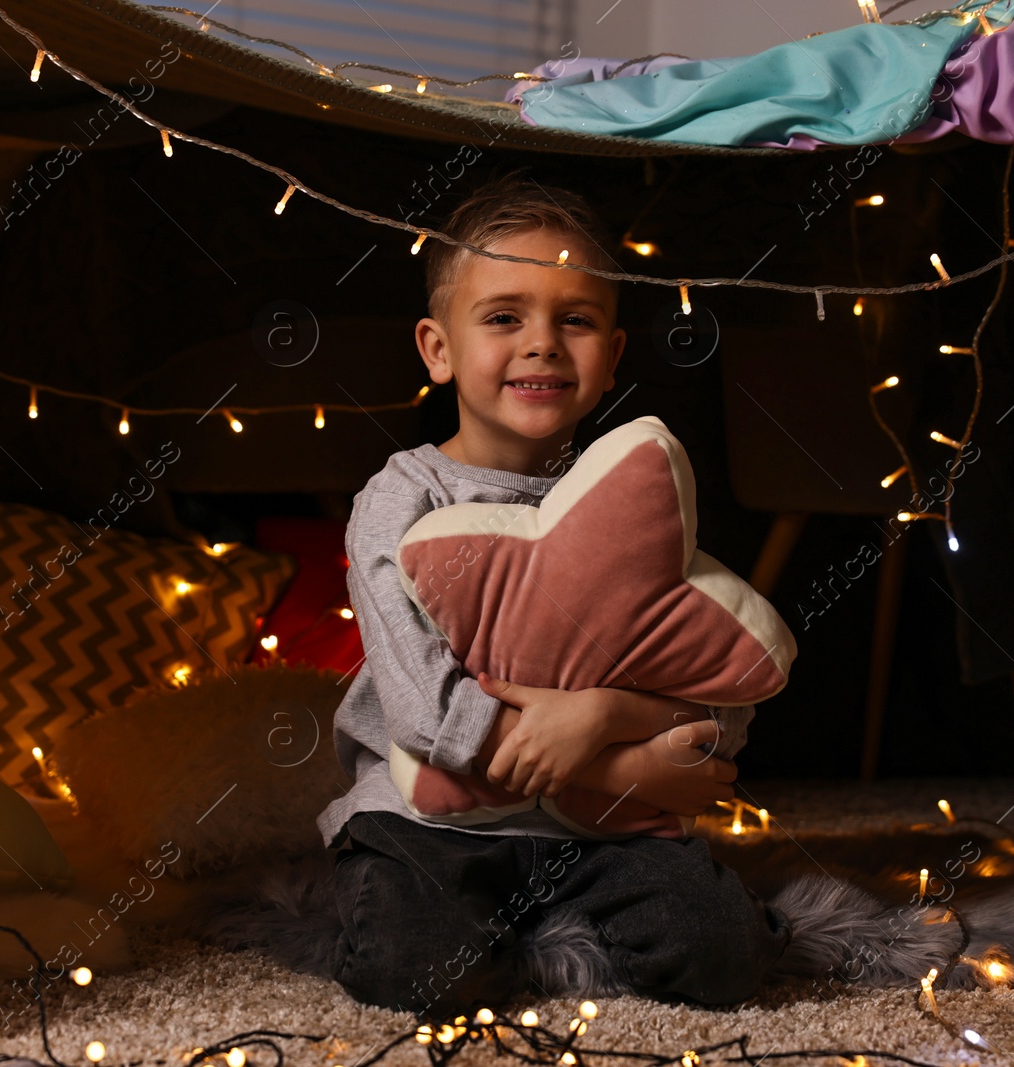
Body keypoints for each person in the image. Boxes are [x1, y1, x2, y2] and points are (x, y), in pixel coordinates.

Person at [316, 174, 791, 1019]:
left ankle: (554, 915)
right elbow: (426, 710)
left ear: (610, 356)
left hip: (603, 823)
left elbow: (716, 693)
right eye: (503, 317)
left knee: (723, 958)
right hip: (429, 812)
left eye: (574, 319)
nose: (541, 343)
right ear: (437, 348)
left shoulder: (636, 498)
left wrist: (605, 716)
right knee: (414, 969)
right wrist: (627, 758)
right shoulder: (402, 496)